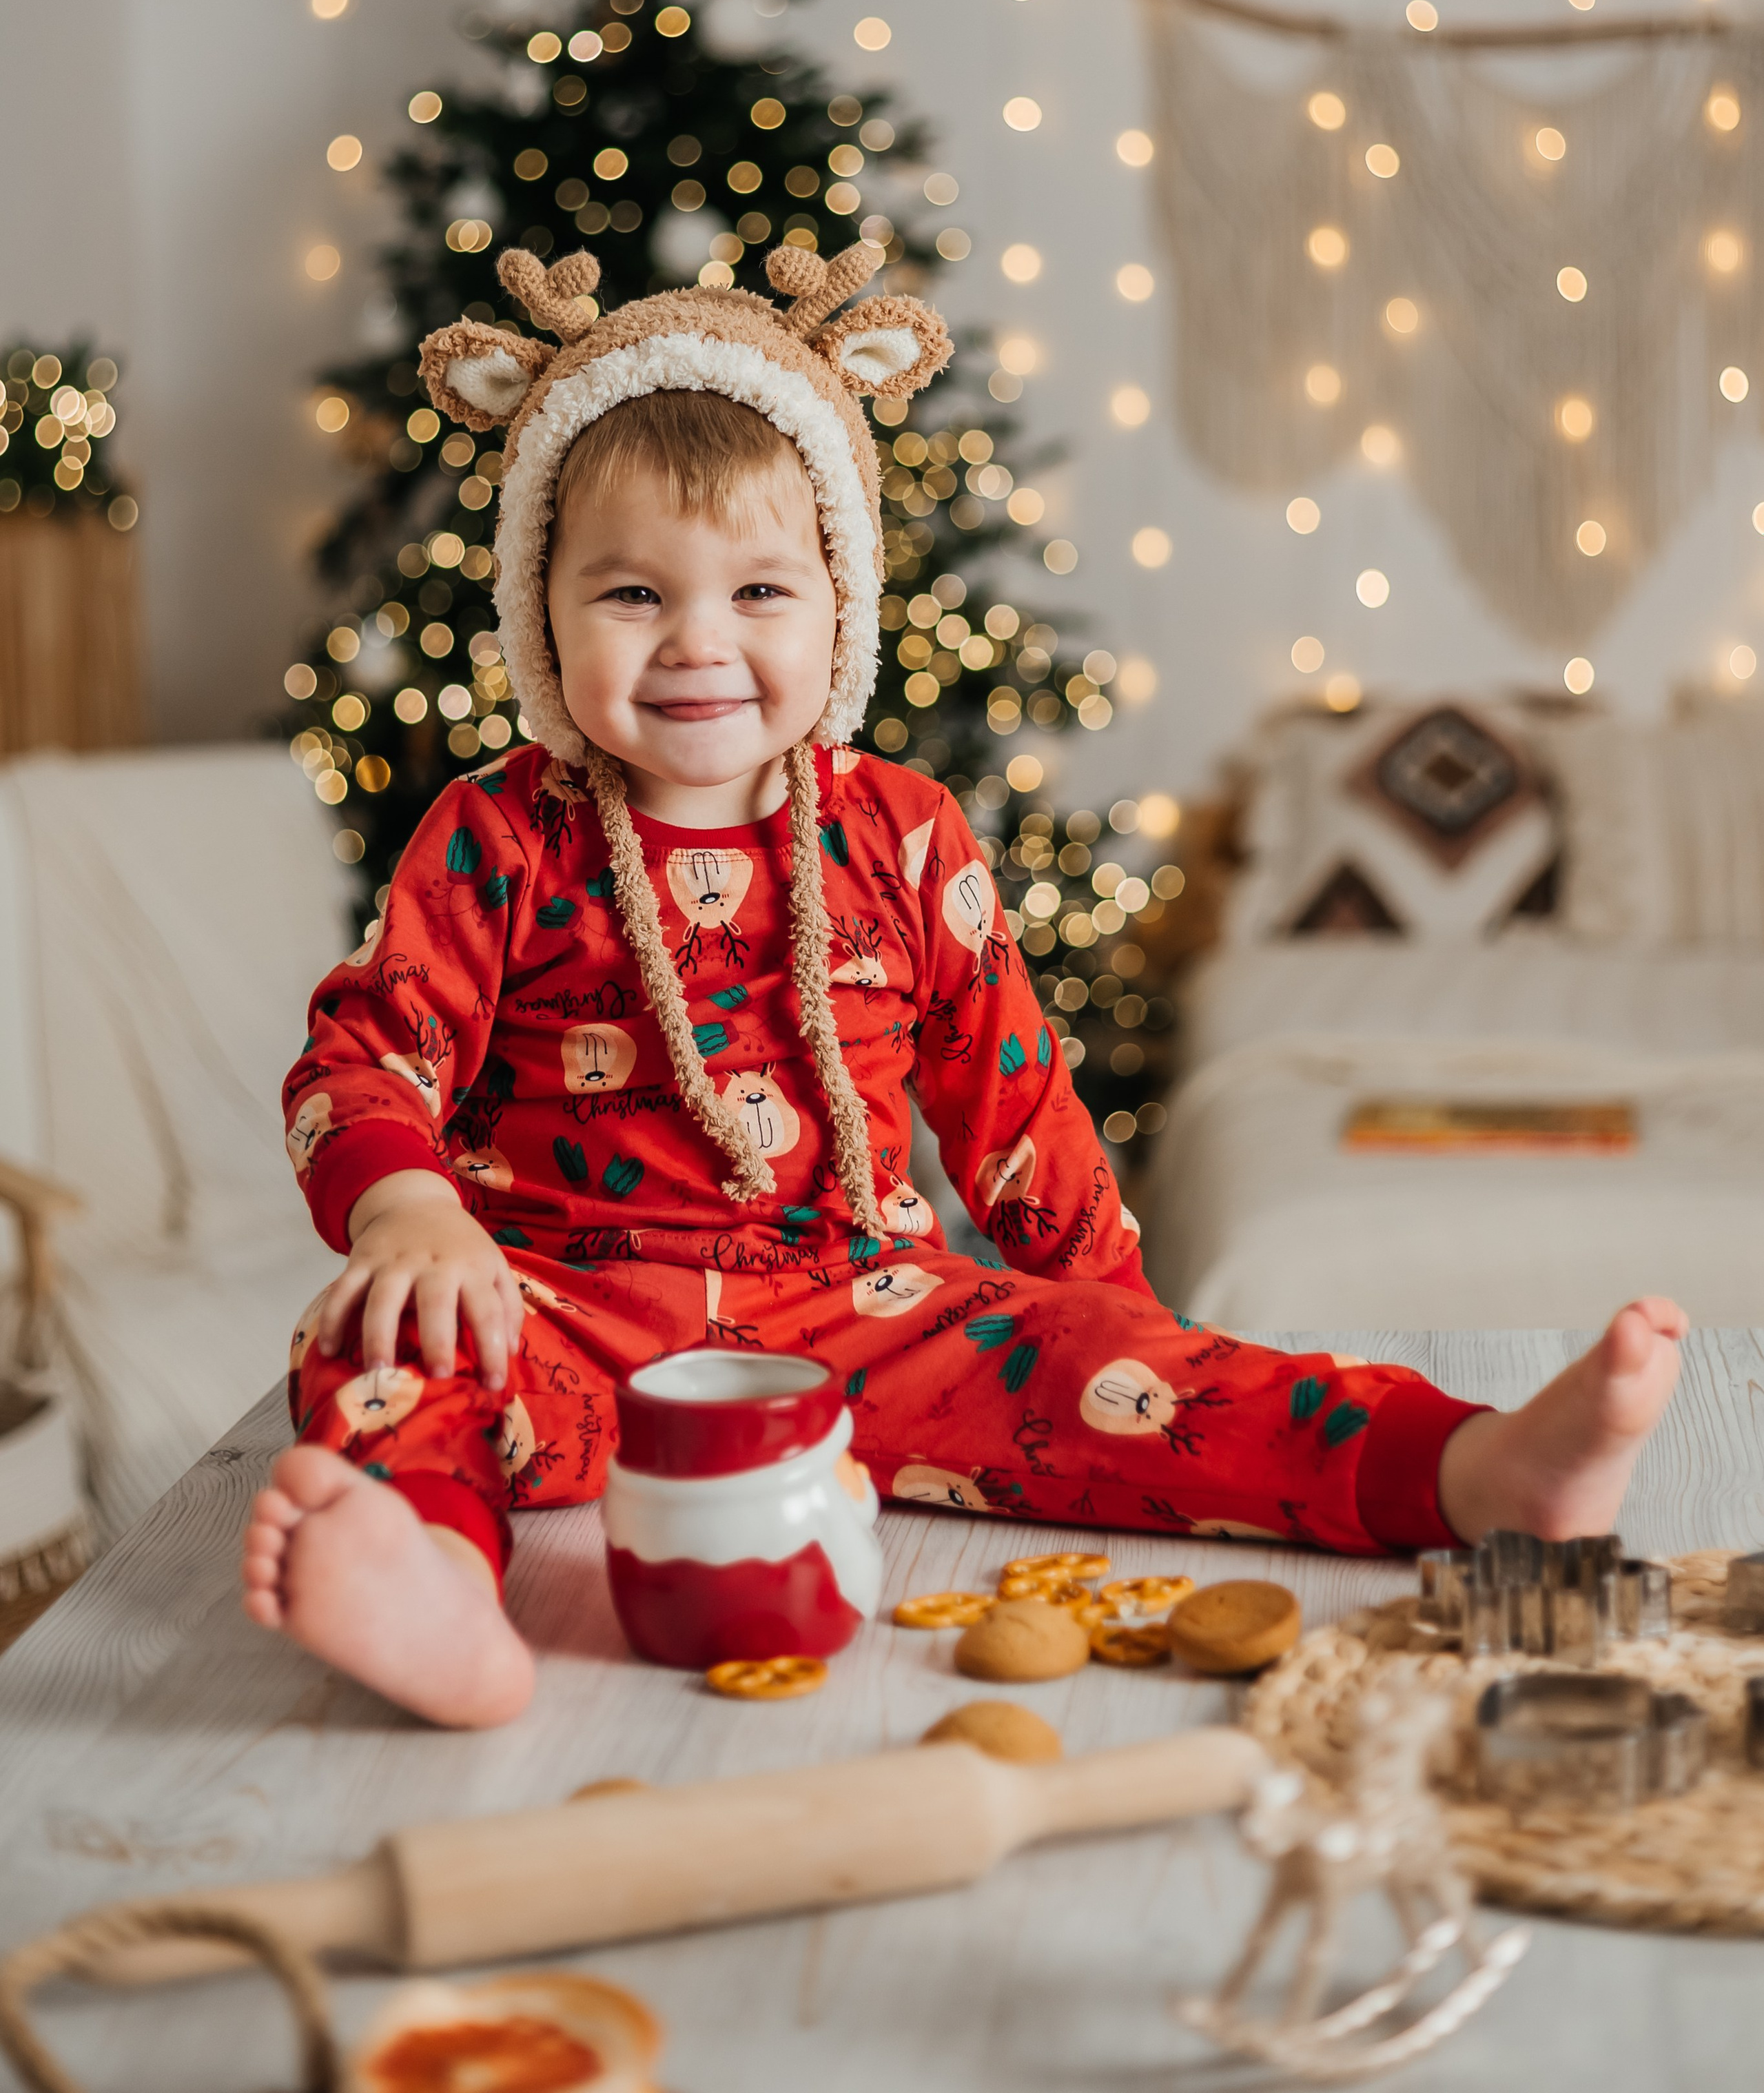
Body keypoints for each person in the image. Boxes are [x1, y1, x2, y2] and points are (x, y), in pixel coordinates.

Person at [243, 239, 1688, 1728]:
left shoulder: (896, 835)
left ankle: (1471, 1468)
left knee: (1129, 1371)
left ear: (838, 605)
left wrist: (1117, 1333)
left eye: (757, 588)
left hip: (859, 1313)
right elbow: (367, 1051)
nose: (697, 643)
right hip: (566, 1314)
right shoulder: (498, 834)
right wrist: (407, 1210)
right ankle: (433, 1586)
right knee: (373, 1353)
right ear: (540, 605)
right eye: (628, 593)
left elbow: (1014, 1107)